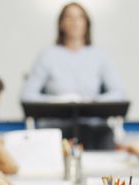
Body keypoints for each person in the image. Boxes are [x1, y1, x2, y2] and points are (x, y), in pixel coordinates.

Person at [21, 2, 125, 149]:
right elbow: (27, 95)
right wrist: (58, 101)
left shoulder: (100, 55)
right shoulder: (47, 55)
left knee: (105, 136)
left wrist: (91, 101)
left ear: (86, 23)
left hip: (92, 126)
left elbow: (119, 93)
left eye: (79, 18)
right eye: (69, 17)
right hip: (56, 126)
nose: (74, 22)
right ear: (61, 24)